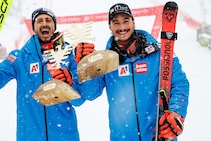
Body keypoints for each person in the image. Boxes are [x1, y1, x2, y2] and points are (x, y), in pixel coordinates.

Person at [0, 7, 94, 141]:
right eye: (39, 21)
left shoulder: (69, 56)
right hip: (30, 136)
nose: (44, 23)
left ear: (54, 26)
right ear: (34, 27)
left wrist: (68, 85)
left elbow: (79, 100)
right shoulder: (19, 58)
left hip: (64, 136)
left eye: (48, 20)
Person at [78, 3, 189, 141]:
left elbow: (179, 83)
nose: (122, 27)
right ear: (109, 26)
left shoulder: (159, 52)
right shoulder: (105, 61)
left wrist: (176, 112)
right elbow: (90, 93)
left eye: (126, 21)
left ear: (133, 22)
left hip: (158, 135)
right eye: (116, 22)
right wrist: (85, 67)